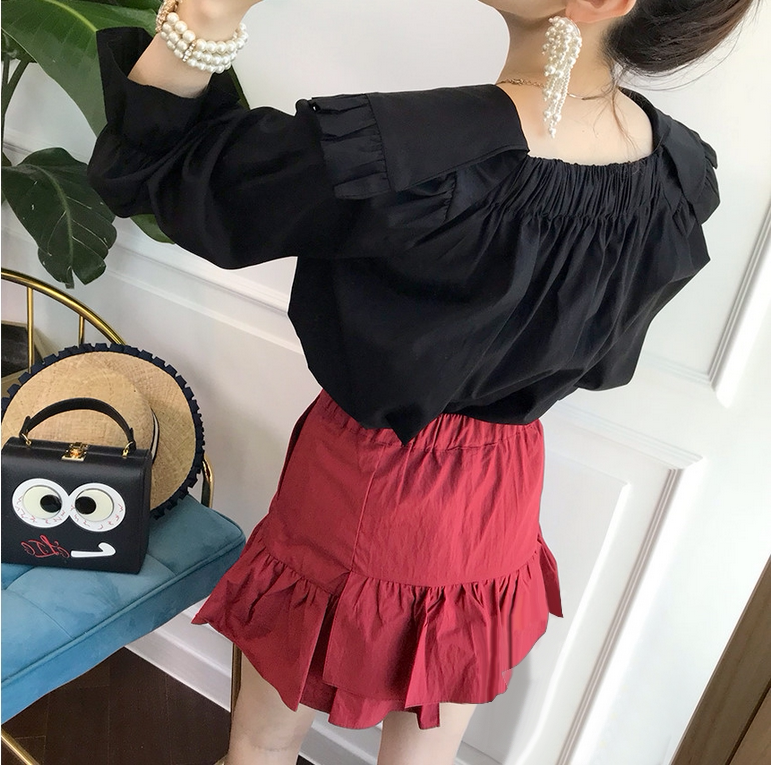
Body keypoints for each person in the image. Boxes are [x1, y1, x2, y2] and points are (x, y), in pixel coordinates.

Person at [87, 1, 756, 763]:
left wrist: (205, 16)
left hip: (365, 475)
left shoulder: (410, 149)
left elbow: (156, 171)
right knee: (428, 737)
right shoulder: (676, 168)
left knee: (263, 745)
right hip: (501, 487)